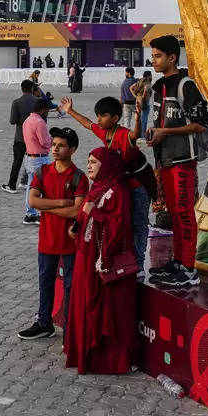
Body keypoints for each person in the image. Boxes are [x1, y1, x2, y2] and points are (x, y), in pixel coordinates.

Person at [65, 147, 137, 375]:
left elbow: (120, 227)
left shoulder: (118, 191)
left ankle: (104, 359)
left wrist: (94, 213)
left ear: (106, 165)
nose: (89, 166)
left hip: (101, 262)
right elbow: (86, 213)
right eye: (88, 161)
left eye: (94, 162)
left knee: (102, 308)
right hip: (86, 258)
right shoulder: (97, 188)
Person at [146, 34, 208, 288]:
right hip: (165, 159)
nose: (154, 61)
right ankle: (179, 262)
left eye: (158, 56)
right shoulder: (158, 87)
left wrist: (167, 133)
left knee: (184, 215)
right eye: (152, 56)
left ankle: (190, 269)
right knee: (173, 214)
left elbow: (201, 124)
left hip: (183, 160)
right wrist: (154, 135)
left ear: (172, 57)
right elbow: (160, 122)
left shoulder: (185, 85)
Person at [61, 96, 152, 274]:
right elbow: (87, 124)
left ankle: (139, 265)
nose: (98, 120)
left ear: (115, 118)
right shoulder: (105, 132)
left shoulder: (123, 133)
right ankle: (124, 259)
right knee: (123, 223)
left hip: (139, 184)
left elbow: (135, 135)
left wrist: (138, 118)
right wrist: (69, 111)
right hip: (122, 185)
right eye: (98, 115)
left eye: (103, 116)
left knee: (139, 224)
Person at [18, 126, 86, 340]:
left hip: (70, 243)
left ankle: (70, 328)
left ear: (72, 149)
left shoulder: (78, 177)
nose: (55, 149)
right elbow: (32, 201)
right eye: (54, 145)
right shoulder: (43, 171)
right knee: (45, 282)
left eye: (61, 146)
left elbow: (77, 210)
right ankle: (44, 323)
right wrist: (59, 203)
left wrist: (46, 207)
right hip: (47, 240)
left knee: (70, 287)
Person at [18, 97, 52, 224]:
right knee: (45, 186)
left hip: (29, 157)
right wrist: (52, 140)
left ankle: (30, 213)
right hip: (40, 158)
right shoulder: (39, 122)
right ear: (43, 110)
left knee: (31, 186)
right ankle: (40, 213)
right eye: (48, 110)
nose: (48, 112)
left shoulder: (27, 120)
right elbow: (44, 142)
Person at [2, 80, 39, 193]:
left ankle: (12, 185)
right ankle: (29, 183)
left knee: (17, 162)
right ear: (32, 89)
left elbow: (12, 121)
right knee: (34, 161)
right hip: (34, 138)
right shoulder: (38, 102)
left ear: (22, 89)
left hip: (20, 137)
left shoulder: (16, 102)